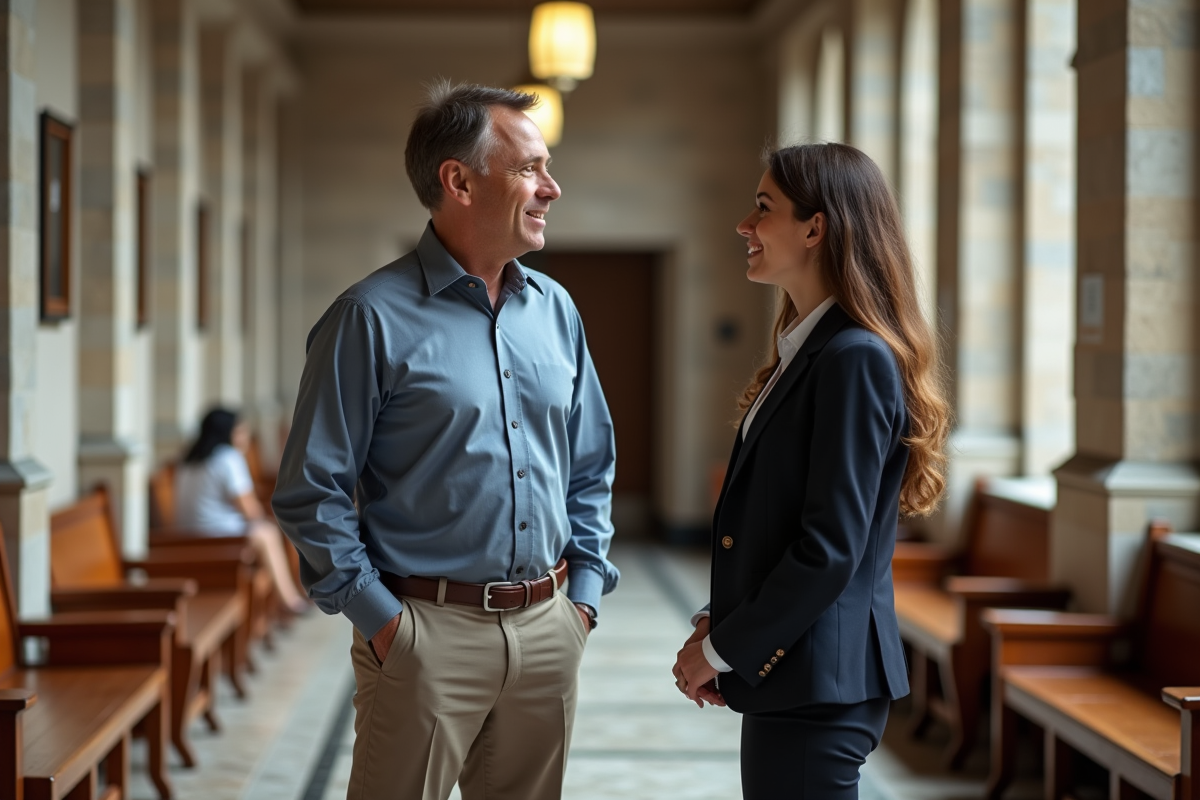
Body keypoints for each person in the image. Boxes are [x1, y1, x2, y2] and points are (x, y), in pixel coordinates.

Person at [271, 80, 618, 800]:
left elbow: (589, 465)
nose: (551, 187)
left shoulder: (556, 311)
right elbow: (312, 491)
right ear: (457, 181)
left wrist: (580, 600)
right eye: (528, 168)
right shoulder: (367, 318)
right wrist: (388, 627)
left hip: (550, 629)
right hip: (424, 635)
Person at [671, 142, 950, 798]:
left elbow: (829, 549)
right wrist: (725, 623)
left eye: (763, 208)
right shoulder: (812, 349)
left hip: (817, 680)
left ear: (816, 227)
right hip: (794, 673)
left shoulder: (853, 357)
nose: (744, 224)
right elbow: (781, 520)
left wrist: (722, 649)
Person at [174, 407, 309, 614]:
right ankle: (289, 600)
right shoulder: (228, 458)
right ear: (228, 432)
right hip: (219, 538)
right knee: (268, 533)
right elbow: (250, 511)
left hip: (187, 539)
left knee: (266, 533)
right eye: (242, 430)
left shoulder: (187, 460)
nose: (246, 436)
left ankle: (280, 603)